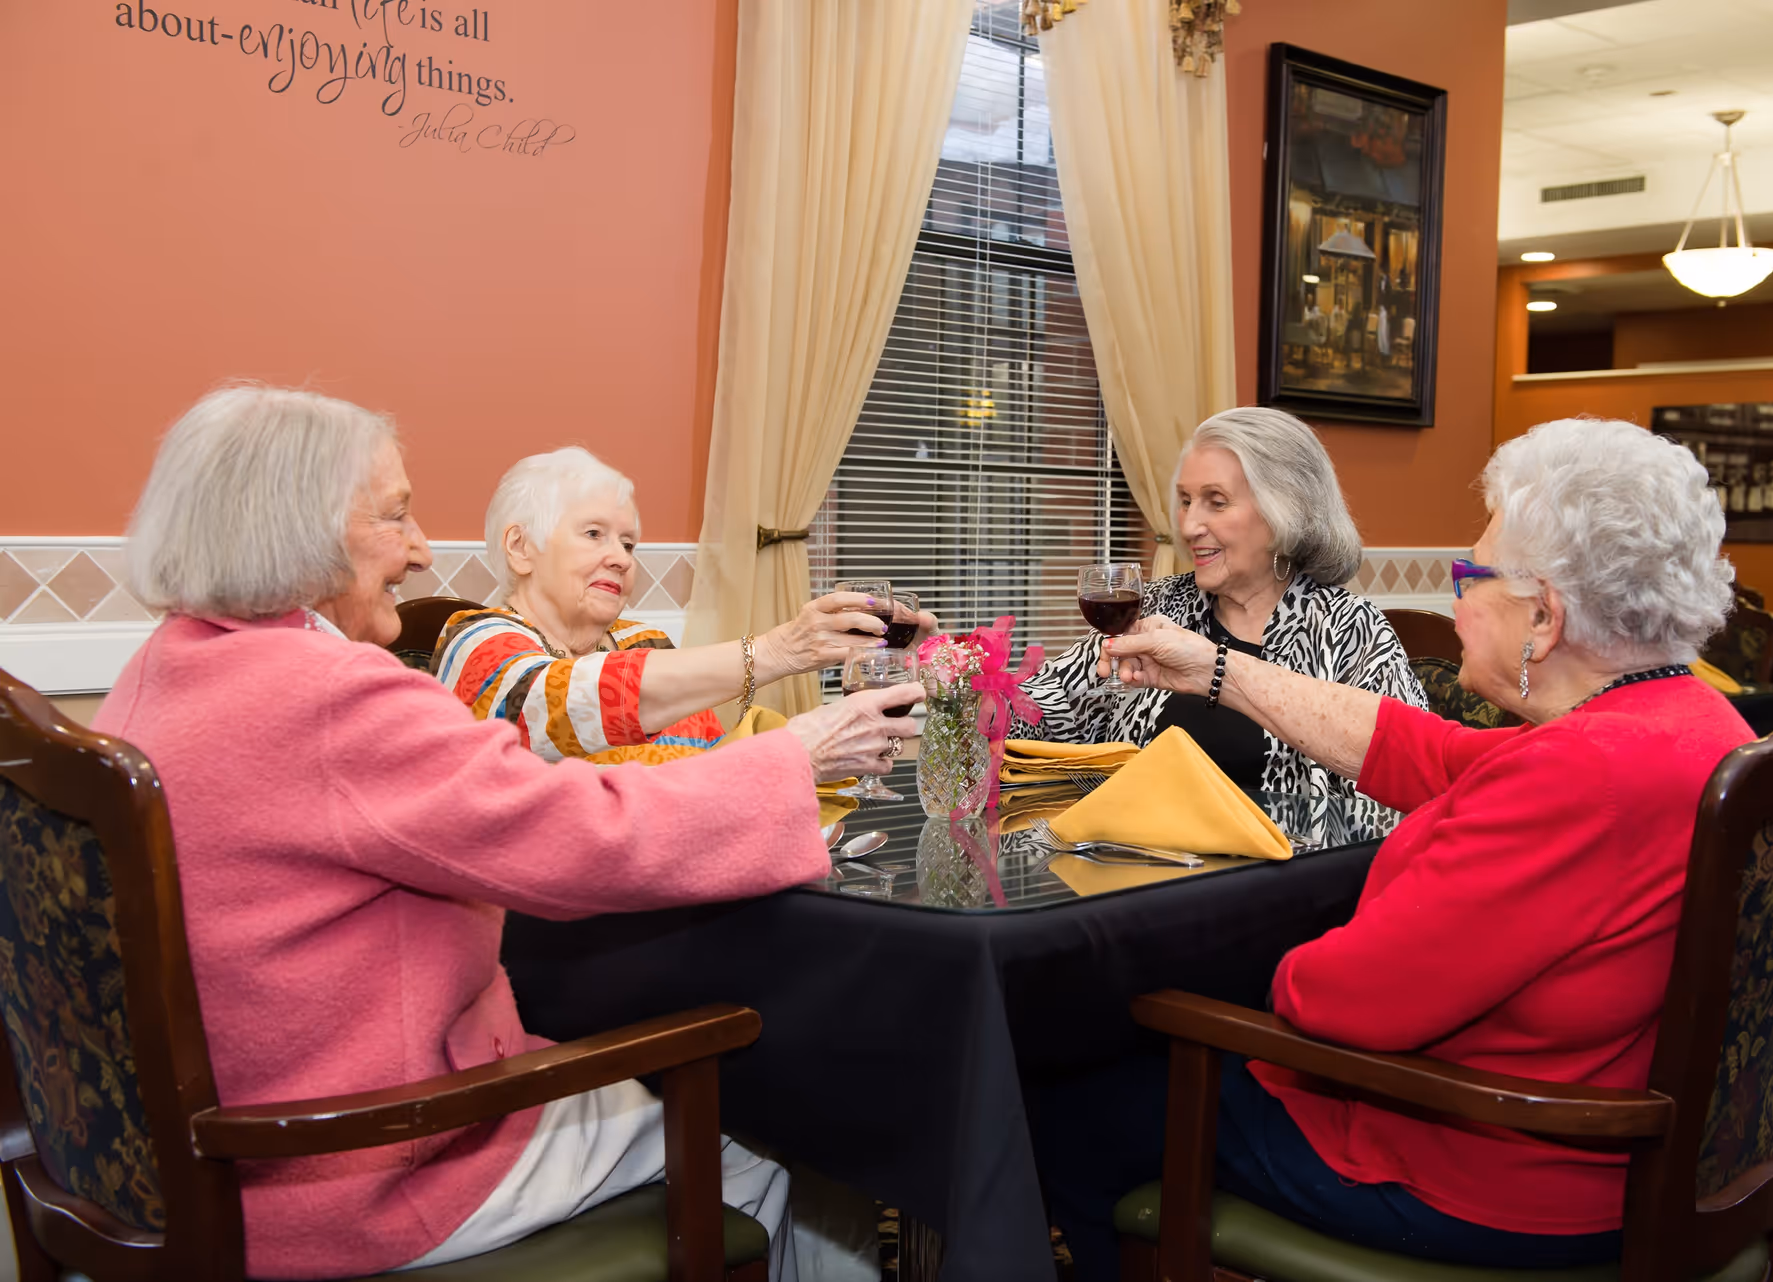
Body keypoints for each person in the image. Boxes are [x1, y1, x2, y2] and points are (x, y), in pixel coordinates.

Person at [96, 385, 921, 1280]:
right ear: (299, 529)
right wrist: (795, 756)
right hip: (361, 1167)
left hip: (181, 1163)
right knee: (771, 1131)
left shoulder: (153, 678)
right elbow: (583, 837)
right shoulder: (334, 694)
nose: (420, 551)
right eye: (398, 515)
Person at [1030, 417, 1749, 1279]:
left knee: (1057, 1092)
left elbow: (1336, 1001)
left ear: (1544, 619)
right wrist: (1217, 671)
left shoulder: (1580, 776)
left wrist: (1223, 972)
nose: (1456, 597)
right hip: (1637, 1148)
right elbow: (1426, 753)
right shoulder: (1692, 725)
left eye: (1471, 574)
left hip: (1486, 1172)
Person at [1016, 408, 1424, 844]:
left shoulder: (1348, 629)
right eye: (1187, 500)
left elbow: (1405, 794)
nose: (1189, 525)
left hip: (1287, 890)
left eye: (1217, 501)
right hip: (1135, 876)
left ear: (1283, 511)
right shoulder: (1157, 606)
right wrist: (959, 679)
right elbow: (1036, 711)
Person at [433, 446, 932, 765]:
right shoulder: (475, 638)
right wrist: (782, 651)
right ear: (521, 548)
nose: (620, 559)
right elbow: (545, 707)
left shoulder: (639, 640)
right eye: (593, 534)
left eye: (628, 545)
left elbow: (709, 765)